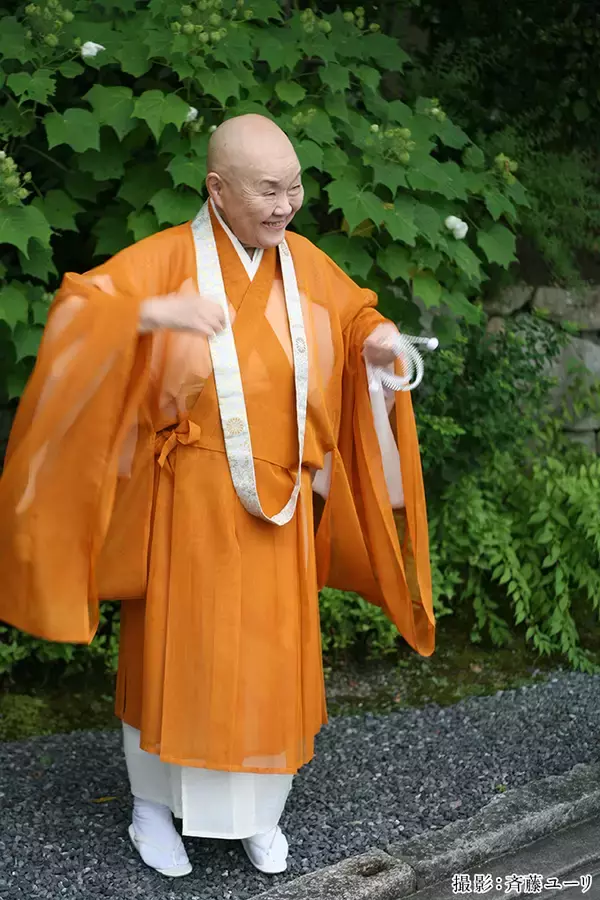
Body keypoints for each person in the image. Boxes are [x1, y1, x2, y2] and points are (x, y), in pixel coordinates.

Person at [0, 114, 435, 879]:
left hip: (279, 505)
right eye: (268, 189)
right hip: (187, 502)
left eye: (293, 186)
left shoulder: (301, 261)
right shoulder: (169, 257)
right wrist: (149, 313)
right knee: (176, 660)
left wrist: (375, 339)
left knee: (268, 659)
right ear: (217, 189)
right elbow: (77, 310)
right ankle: (150, 808)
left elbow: (353, 312)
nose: (286, 204)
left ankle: (258, 814)